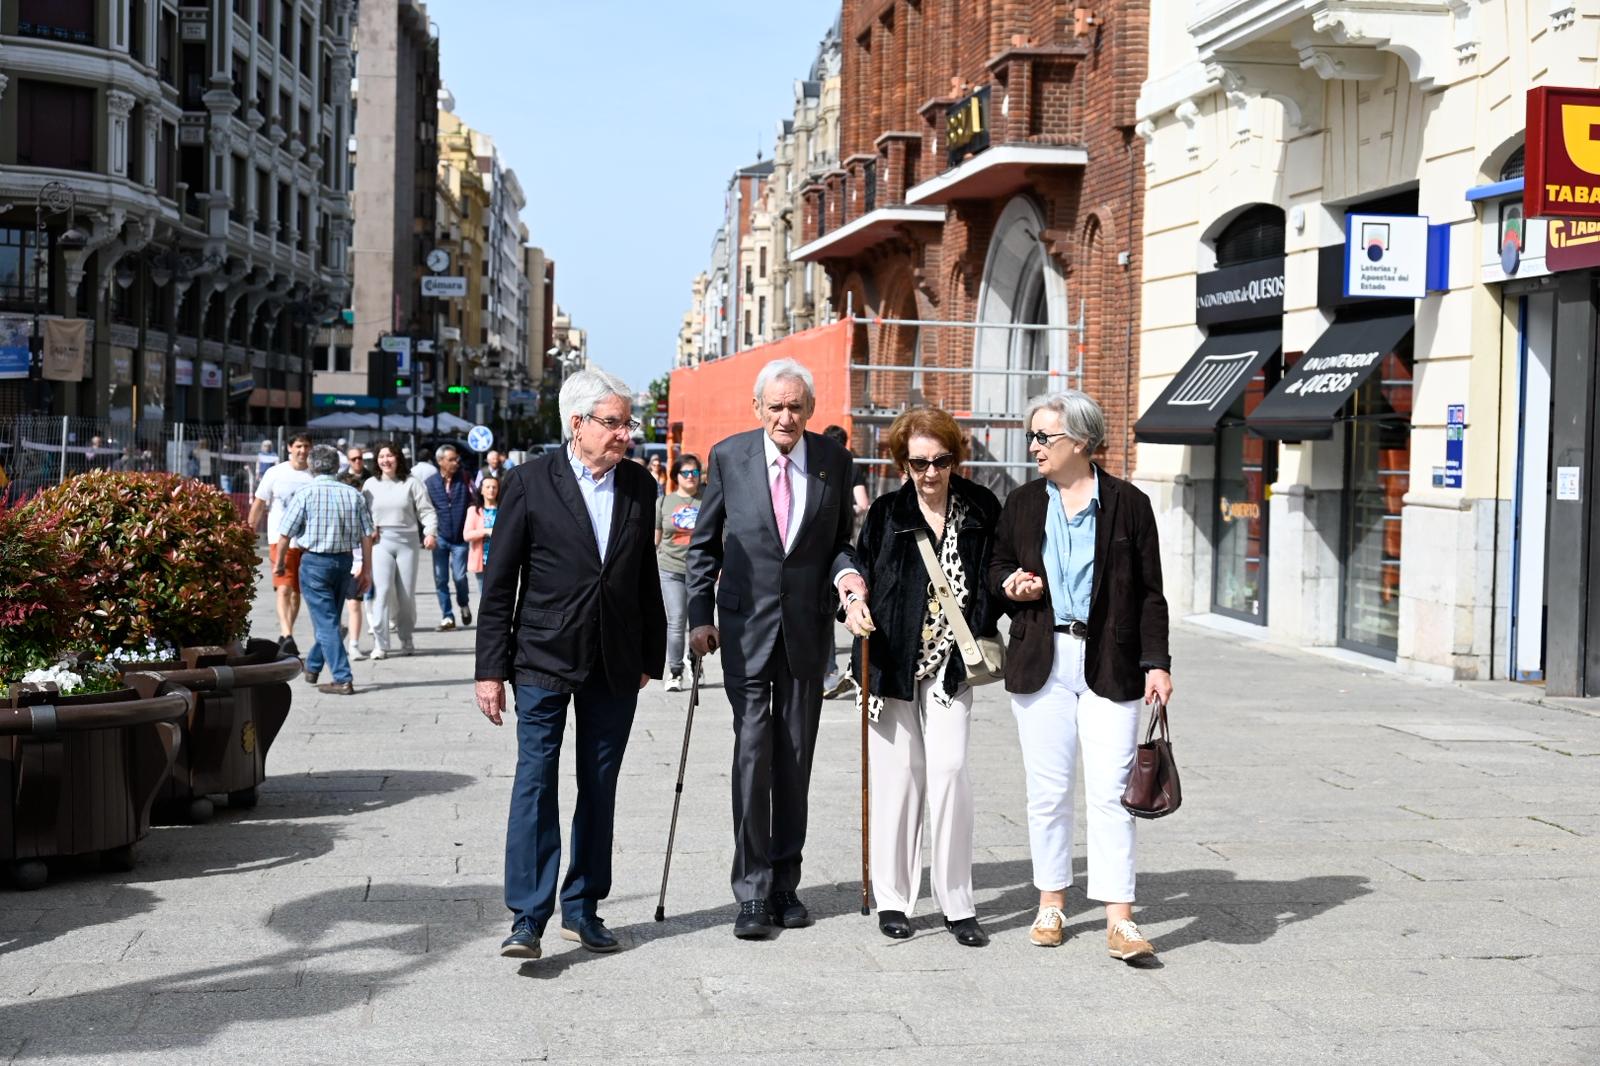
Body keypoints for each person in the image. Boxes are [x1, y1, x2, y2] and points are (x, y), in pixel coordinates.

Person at [474, 368, 666, 962]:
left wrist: (652, 654)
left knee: (599, 784)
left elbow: (641, 575)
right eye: (614, 423)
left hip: (616, 658)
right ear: (577, 424)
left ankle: (582, 906)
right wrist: (490, 669)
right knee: (536, 778)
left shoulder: (639, 485)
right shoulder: (530, 482)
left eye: (628, 423)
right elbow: (500, 581)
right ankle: (527, 916)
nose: (625, 435)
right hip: (542, 656)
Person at [989, 390, 1173, 961]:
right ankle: (1052, 903)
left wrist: (1158, 662)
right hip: (1042, 657)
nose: (1035, 446)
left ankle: (1120, 918)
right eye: (1033, 436)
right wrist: (1010, 587)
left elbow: (1149, 592)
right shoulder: (1020, 503)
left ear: (1082, 443)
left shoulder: (1129, 504)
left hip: (1109, 663)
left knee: (1115, 793)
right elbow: (994, 565)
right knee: (1047, 793)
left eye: (1045, 437)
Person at [687, 357, 864, 940]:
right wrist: (697, 618)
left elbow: (841, 545)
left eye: (796, 406)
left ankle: (787, 882)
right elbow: (704, 546)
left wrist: (849, 580)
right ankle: (753, 890)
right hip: (744, 631)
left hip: (808, 632)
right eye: (777, 406)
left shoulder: (834, 462)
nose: (786, 416)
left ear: (810, 410)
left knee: (795, 757)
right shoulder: (729, 457)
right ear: (757, 408)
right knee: (753, 753)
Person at [845, 408, 1000, 947]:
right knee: (898, 780)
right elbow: (857, 570)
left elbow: (996, 577)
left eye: (941, 460)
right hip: (890, 663)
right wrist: (851, 600)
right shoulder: (887, 513)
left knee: (951, 771)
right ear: (901, 463)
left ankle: (957, 901)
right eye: (919, 463)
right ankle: (893, 898)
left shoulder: (981, 507)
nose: (931, 473)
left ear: (956, 458)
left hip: (952, 665)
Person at [275, 445, 375, 696]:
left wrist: (279, 563)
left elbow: (285, 533)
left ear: (311, 465)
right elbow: (367, 535)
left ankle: (342, 677)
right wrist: (367, 570)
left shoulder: (305, 493)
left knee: (326, 622)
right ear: (336, 466)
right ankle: (313, 664)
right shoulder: (353, 494)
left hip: (315, 563)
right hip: (344, 562)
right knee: (328, 620)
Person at [362, 441, 436, 660]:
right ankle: (381, 643)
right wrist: (368, 529)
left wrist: (430, 532)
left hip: (408, 542)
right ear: (376, 460)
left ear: (398, 459)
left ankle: (406, 638)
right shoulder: (370, 485)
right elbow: (362, 514)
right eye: (382, 456)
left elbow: (427, 511)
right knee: (382, 592)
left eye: (390, 456)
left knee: (405, 595)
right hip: (380, 543)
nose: (386, 460)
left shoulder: (412, 483)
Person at [247, 433, 315, 656]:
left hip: (306, 542)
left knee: (296, 593)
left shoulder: (314, 475)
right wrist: (249, 530)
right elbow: (259, 503)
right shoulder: (275, 473)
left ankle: (287, 632)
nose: (302, 451)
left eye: (306, 446)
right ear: (289, 448)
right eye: (298, 446)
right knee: (283, 588)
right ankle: (287, 636)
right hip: (279, 539)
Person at [821, 424, 870, 698]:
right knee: (830, 608)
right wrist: (845, 508)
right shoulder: (849, 464)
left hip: (815, 545)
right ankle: (829, 673)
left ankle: (821, 671)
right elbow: (862, 504)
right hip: (843, 546)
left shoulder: (815, 461)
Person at [653, 453, 702, 691]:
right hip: (670, 569)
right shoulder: (664, 503)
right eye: (686, 473)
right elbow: (656, 539)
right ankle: (675, 671)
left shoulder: (708, 502)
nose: (691, 477)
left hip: (700, 571)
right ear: (676, 476)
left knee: (698, 622)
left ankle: (695, 662)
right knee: (676, 621)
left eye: (695, 473)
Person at [425, 445, 473, 631]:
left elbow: (475, 499)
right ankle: (447, 616)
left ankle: (464, 603)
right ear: (440, 462)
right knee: (440, 578)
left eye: (456, 459)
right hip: (440, 538)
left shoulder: (465, 478)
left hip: (460, 538)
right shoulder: (430, 483)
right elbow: (425, 510)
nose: (456, 463)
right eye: (452, 460)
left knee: (460, 576)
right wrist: (428, 533)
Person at [338, 446, 373, 660]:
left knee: (354, 604)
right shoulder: (336, 515)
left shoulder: (362, 515)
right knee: (335, 607)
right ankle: (338, 636)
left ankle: (353, 643)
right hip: (336, 562)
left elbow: (367, 538)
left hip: (356, 562)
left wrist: (364, 564)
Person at [464, 473, 501, 595]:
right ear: (481, 490)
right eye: (488, 487)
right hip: (481, 559)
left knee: (498, 592)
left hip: (500, 558)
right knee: (483, 594)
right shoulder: (474, 510)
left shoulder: (503, 509)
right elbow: (467, 535)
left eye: (494, 487)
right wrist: (486, 531)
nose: (491, 490)